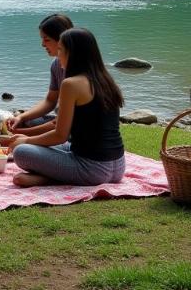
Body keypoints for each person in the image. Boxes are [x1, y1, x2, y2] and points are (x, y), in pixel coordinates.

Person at [8, 27, 126, 187]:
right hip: (118, 166)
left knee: (22, 152)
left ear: (73, 53)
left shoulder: (71, 84)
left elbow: (60, 135)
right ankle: (57, 176)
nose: (58, 55)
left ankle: (50, 179)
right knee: (45, 145)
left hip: (92, 168)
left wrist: (26, 140)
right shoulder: (105, 79)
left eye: (60, 50)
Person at [6, 13, 73, 135]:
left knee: (22, 146)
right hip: (61, 124)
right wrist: (21, 117)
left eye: (47, 40)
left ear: (62, 40)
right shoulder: (56, 64)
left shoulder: (78, 75)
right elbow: (50, 101)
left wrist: (21, 134)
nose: (42, 44)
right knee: (26, 121)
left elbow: (61, 124)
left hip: (74, 130)